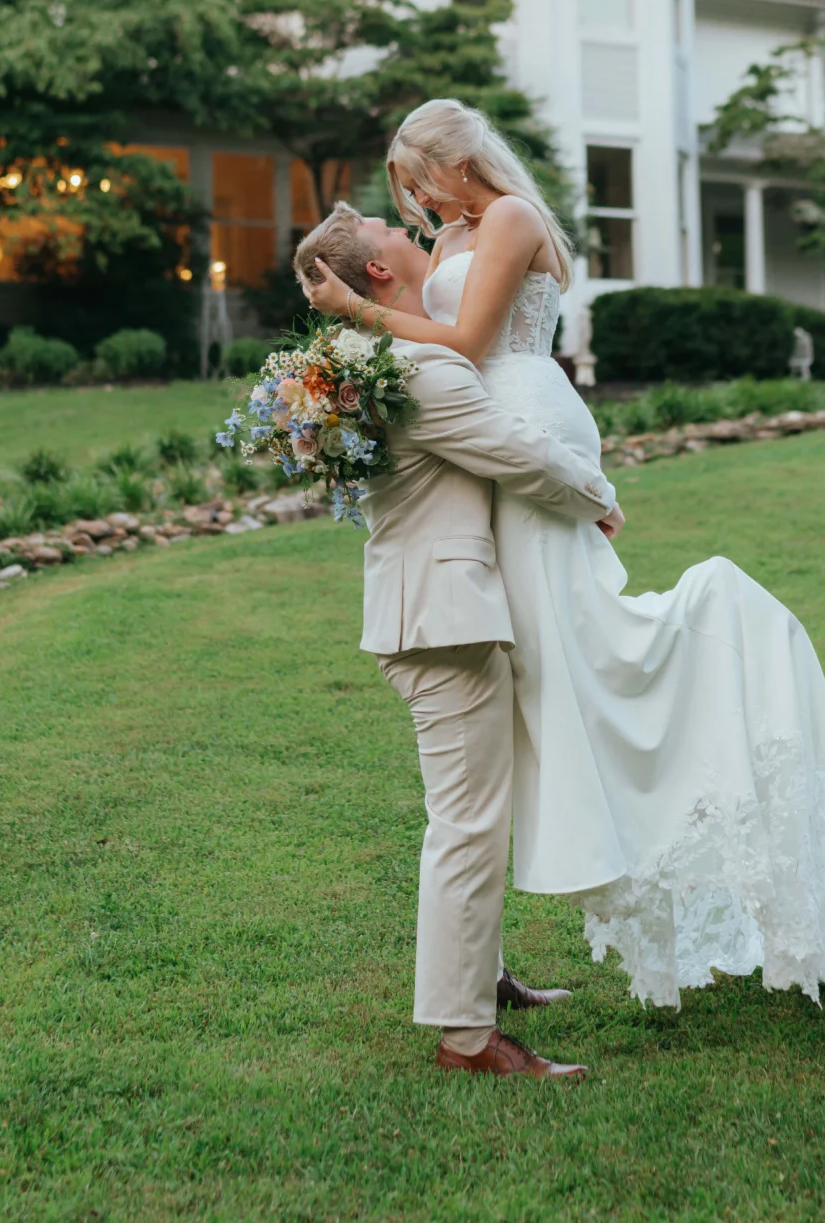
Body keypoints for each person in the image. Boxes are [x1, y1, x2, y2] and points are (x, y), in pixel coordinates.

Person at [302, 99, 825, 1032]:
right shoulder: (450, 232)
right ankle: (482, 960)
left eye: (413, 181)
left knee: (585, 651)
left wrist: (355, 309)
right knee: (542, 675)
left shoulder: (511, 219)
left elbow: (468, 343)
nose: (406, 201)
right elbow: (427, 329)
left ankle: (682, 722)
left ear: (451, 164)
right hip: (498, 445)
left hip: (524, 418)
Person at [288, 203, 618, 1078]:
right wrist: (598, 494)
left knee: (477, 812)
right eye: (395, 234)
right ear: (384, 276)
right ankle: (467, 1037)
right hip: (443, 619)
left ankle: (488, 976)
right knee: (468, 824)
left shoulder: (385, 358)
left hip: (435, 609)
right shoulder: (417, 372)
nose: (417, 234)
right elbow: (514, 452)